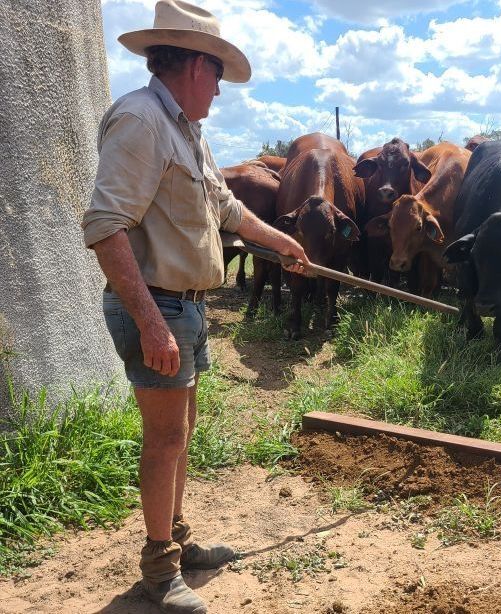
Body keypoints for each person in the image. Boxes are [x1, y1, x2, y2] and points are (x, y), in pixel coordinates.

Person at [82, 2, 309, 612]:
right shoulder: (140, 120)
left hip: (188, 306)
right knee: (164, 439)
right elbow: (106, 226)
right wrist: (152, 324)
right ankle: (159, 568)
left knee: (180, 434)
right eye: (217, 75)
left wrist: (280, 241)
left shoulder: (182, 127)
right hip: (158, 305)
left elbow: (225, 209)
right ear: (193, 65)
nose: (219, 90)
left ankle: (176, 543)